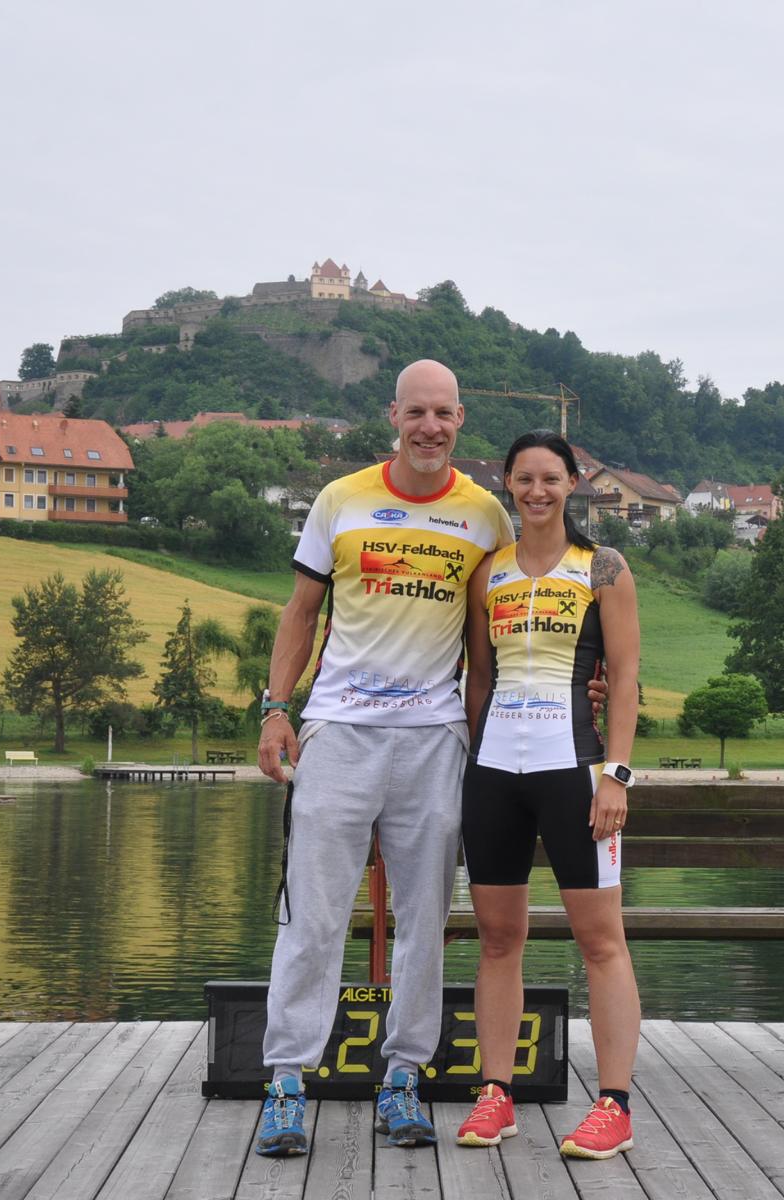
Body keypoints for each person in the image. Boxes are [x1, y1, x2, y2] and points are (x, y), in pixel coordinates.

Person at [252, 359, 514, 1156]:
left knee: (424, 923)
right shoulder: (341, 499)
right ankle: (286, 1081)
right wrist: (275, 710)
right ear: (392, 415)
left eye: (443, 413)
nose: (429, 427)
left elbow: (496, 639)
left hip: (434, 739)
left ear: (460, 419)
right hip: (338, 732)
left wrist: (573, 692)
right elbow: (301, 613)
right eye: (415, 412)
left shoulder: (486, 516)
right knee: (312, 916)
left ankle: (403, 1077)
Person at [454, 430, 643, 1160]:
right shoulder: (487, 573)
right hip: (495, 774)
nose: (537, 491)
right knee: (498, 939)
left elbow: (623, 679)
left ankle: (614, 1105)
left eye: (551, 479)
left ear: (571, 485)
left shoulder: (604, 568)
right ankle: (495, 1095)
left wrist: (616, 775)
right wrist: (473, 766)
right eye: (525, 479)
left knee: (601, 941)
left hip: (576, 773)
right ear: (506, 483)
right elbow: (478, 677)